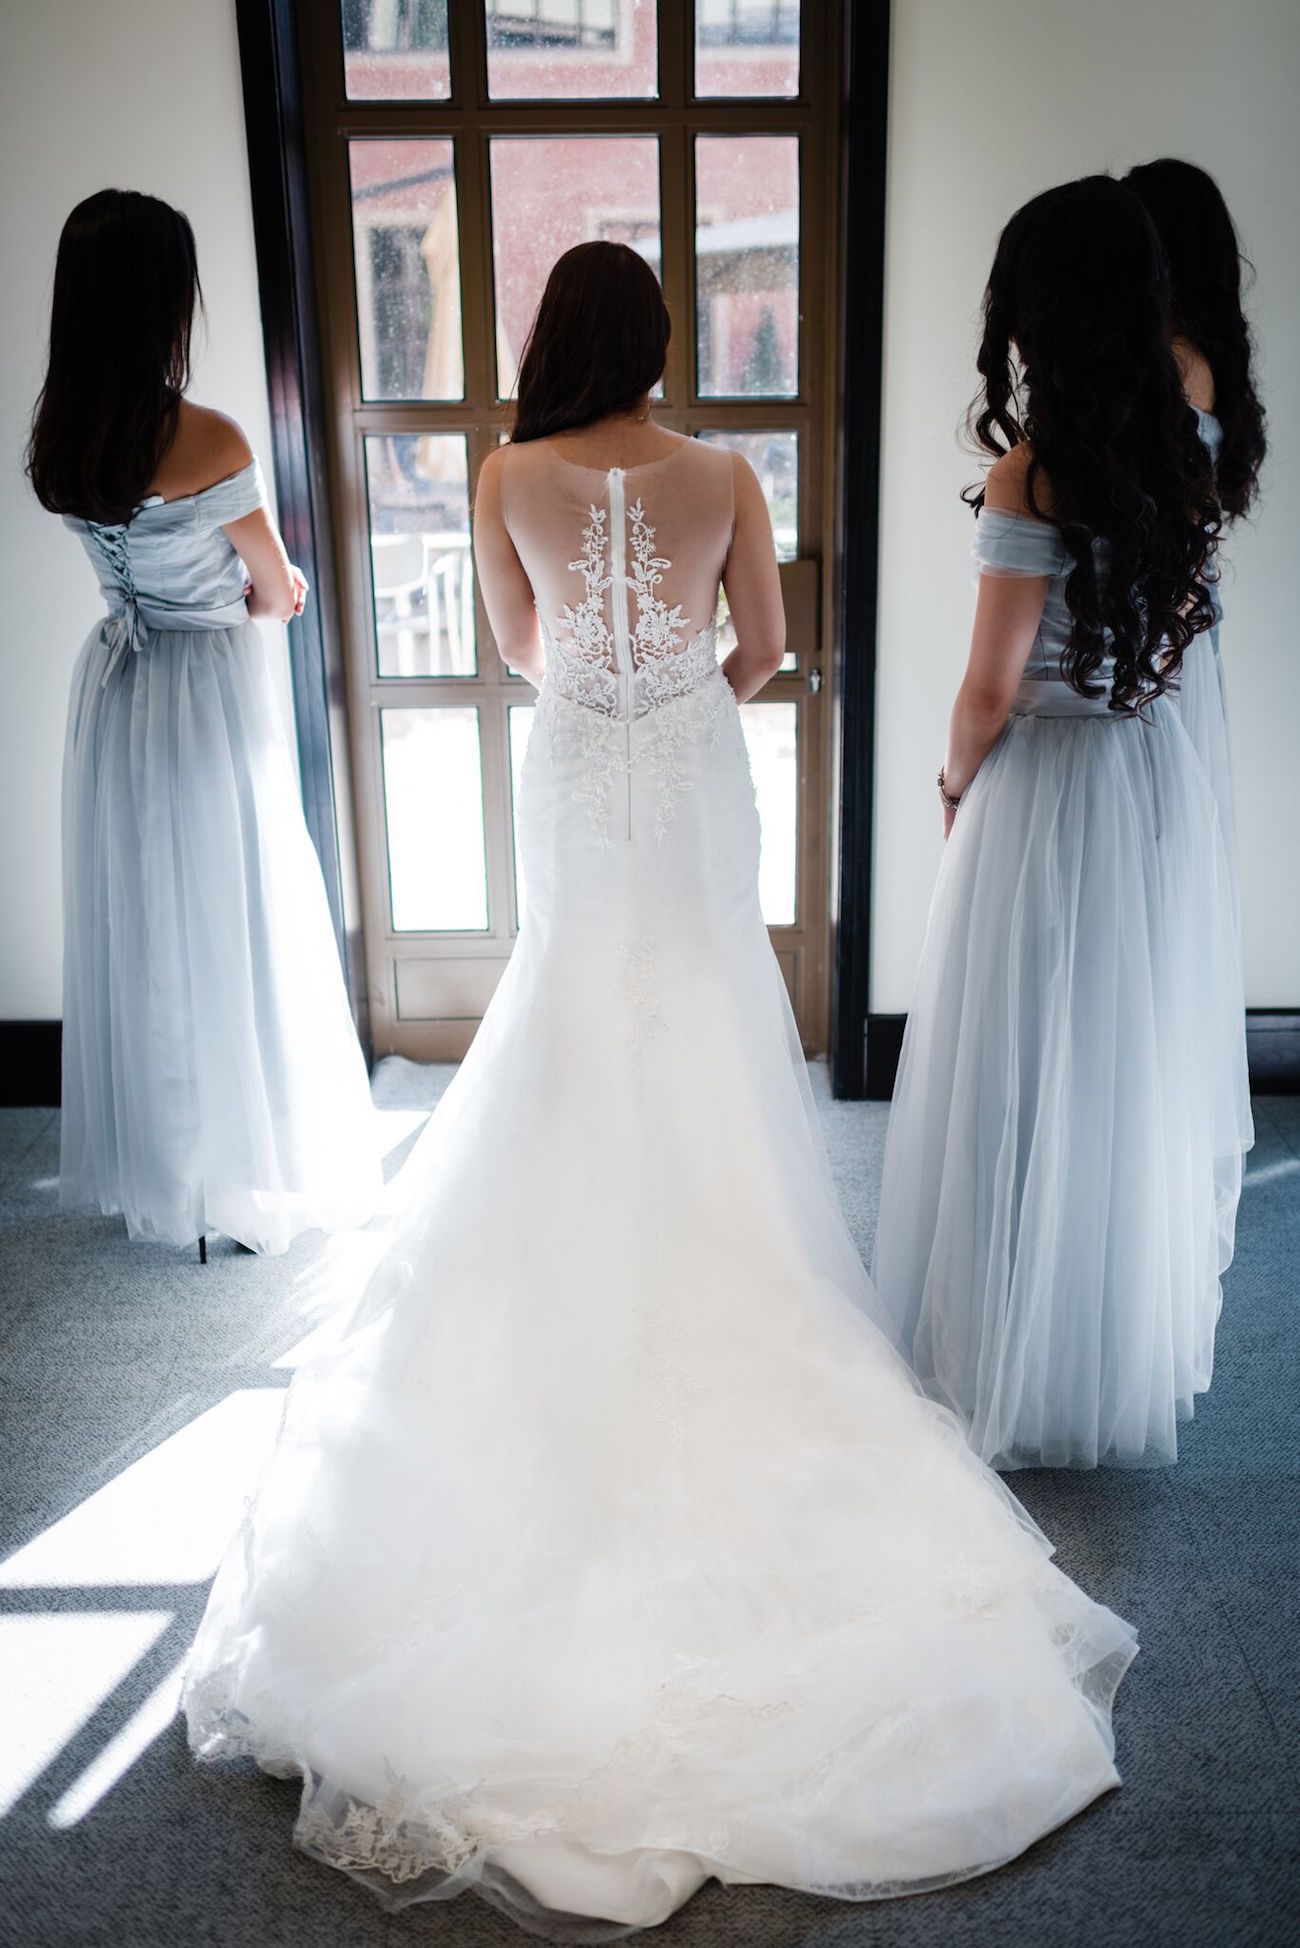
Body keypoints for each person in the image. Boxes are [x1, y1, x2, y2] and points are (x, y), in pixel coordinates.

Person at [183, 241, 1134, 1937]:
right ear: (661, 342)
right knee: (699, 1003)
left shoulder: (502, 469)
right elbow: (761, 649)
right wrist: (681, 682)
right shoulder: (720, 475)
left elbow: (523, 644)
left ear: (559, 341)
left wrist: (604, 684)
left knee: (572, 996)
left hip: (575, 774)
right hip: (692, 768)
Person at [872, 178, 1248, 1471]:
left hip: (1040, 789)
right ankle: (1091, 1349)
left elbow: (989, 685)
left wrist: (950, 784)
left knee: (1015, 1069)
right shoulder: (1186, 437)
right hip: (1141, 780)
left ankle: (1003, 1355)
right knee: (1113, 1069)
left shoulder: (1029, 472)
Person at [27, 189, 380, 1255]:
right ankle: (235, 1170)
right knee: (231, 919)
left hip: (115, 688)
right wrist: (280, 588)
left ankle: (170, 1167)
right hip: (203, 692)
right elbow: (271, 593)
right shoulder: (211, 435)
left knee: (141, 923)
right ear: (160, 302)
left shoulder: (62, 435)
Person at [1125, 156, 1266, 1172]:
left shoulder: (1171, 367)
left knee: (1146, 864)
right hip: (1174, 640)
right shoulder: (1200, 358)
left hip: (1150, 647)